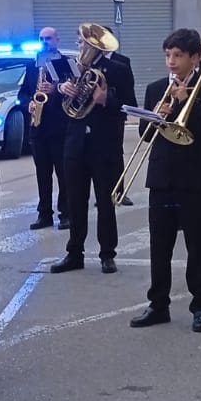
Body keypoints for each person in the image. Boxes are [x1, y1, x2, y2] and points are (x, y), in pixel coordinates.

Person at [130, 29, 201, 332]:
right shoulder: (156, 88)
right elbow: (145, 134)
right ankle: (158, 305)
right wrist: (158, 115)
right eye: (168, 55)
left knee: (197, 245)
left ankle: (200, 306)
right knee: (160, 247)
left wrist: (186, 106)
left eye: (178, 55)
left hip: (194, 177)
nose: (172, 61)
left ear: (195, 58)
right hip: (161, 177)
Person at [50, 29, 135, 275]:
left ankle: (107, 253)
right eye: (80, 42)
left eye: (85, 43)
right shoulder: (73, 68)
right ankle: (74, 252)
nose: (81, 47)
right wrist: (61, 90)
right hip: (75, 143)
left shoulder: (119, 69)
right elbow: (61, 107)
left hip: (103, 144)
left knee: (105, 202)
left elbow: (129, 104)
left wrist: (105, 98)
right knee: (75, 201)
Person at [27, 27, 72, 231]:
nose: (45, 41)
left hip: (59, 125)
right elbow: (24, 92)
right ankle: (44, 214)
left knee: (63, 173)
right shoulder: (33, 64)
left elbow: (73, 93)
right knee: (42, 173)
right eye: (41, 38)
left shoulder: (65, 64)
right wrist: (28, 102)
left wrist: (55, 89)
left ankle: (66, 214)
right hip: (38, 127)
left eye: (49, 38)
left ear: (57, 39)